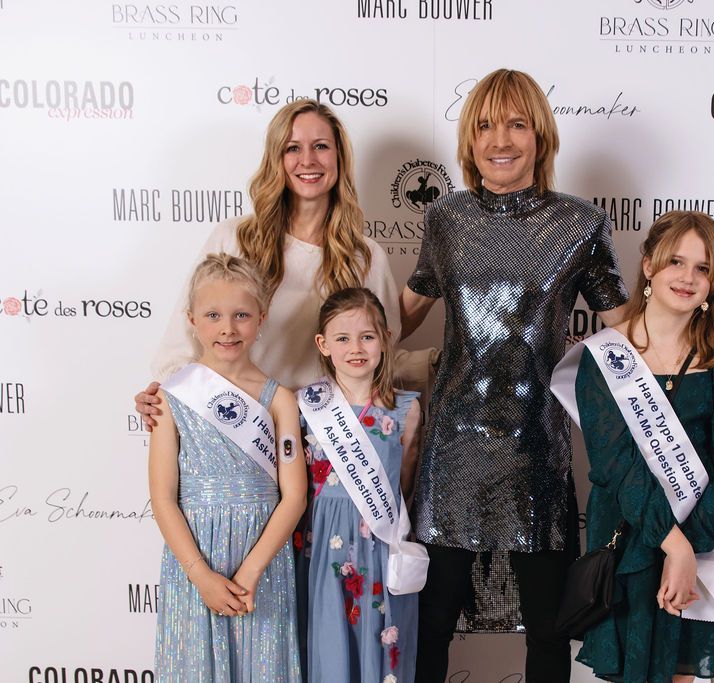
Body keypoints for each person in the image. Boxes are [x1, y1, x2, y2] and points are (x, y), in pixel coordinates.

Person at [399, 68, 629, 682]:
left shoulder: (580, 222)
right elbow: (399, 315)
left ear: (541, 136)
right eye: (485, 125)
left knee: (548, 632)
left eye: (517, 123)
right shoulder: (445, 219)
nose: (500, 140)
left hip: (536, 450)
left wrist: (700, 345)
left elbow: (627, 332)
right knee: (432, 621)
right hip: (453, 448)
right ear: (470, 141)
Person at [563, 211, 714, 682]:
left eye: (703, 268)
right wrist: (674, 548)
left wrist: (689, 548)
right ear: (648, 266)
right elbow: (614, 466)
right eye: (676, 262)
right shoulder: (602, 356)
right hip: (629, 542)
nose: (688, 278)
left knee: (681, 677)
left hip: (701, 537)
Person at [138, 98, 400, 408]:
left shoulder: (365, 257)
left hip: (324, 437)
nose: (308, 160)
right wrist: (169, 402)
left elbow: (384, 356)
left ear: (339, 157)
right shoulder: (234, 238)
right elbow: (182, 340)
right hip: (236, 423)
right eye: (292, 148)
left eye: (320, 147)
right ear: (276, 158)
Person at [149, 253, 305, 681]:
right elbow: (163, 497)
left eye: (241, 315)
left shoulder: (280, 400)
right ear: (192, 319)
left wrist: (251, 570)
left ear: (261, 318)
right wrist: (201, 576)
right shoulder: (172, 395)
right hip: (194, 558)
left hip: (262, 559)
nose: (227, 328)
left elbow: (294, 496)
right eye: (213, 314)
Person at [296, 288, 422, 682]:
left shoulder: (406, 409)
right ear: (323, 344)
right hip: (322, 544)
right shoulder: (304, 406)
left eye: (367, 336)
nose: (356, 348)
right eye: (343, 338)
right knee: (328, 640)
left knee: (377, 641)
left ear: (385, 340)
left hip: (379, 547)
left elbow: (406, 481)